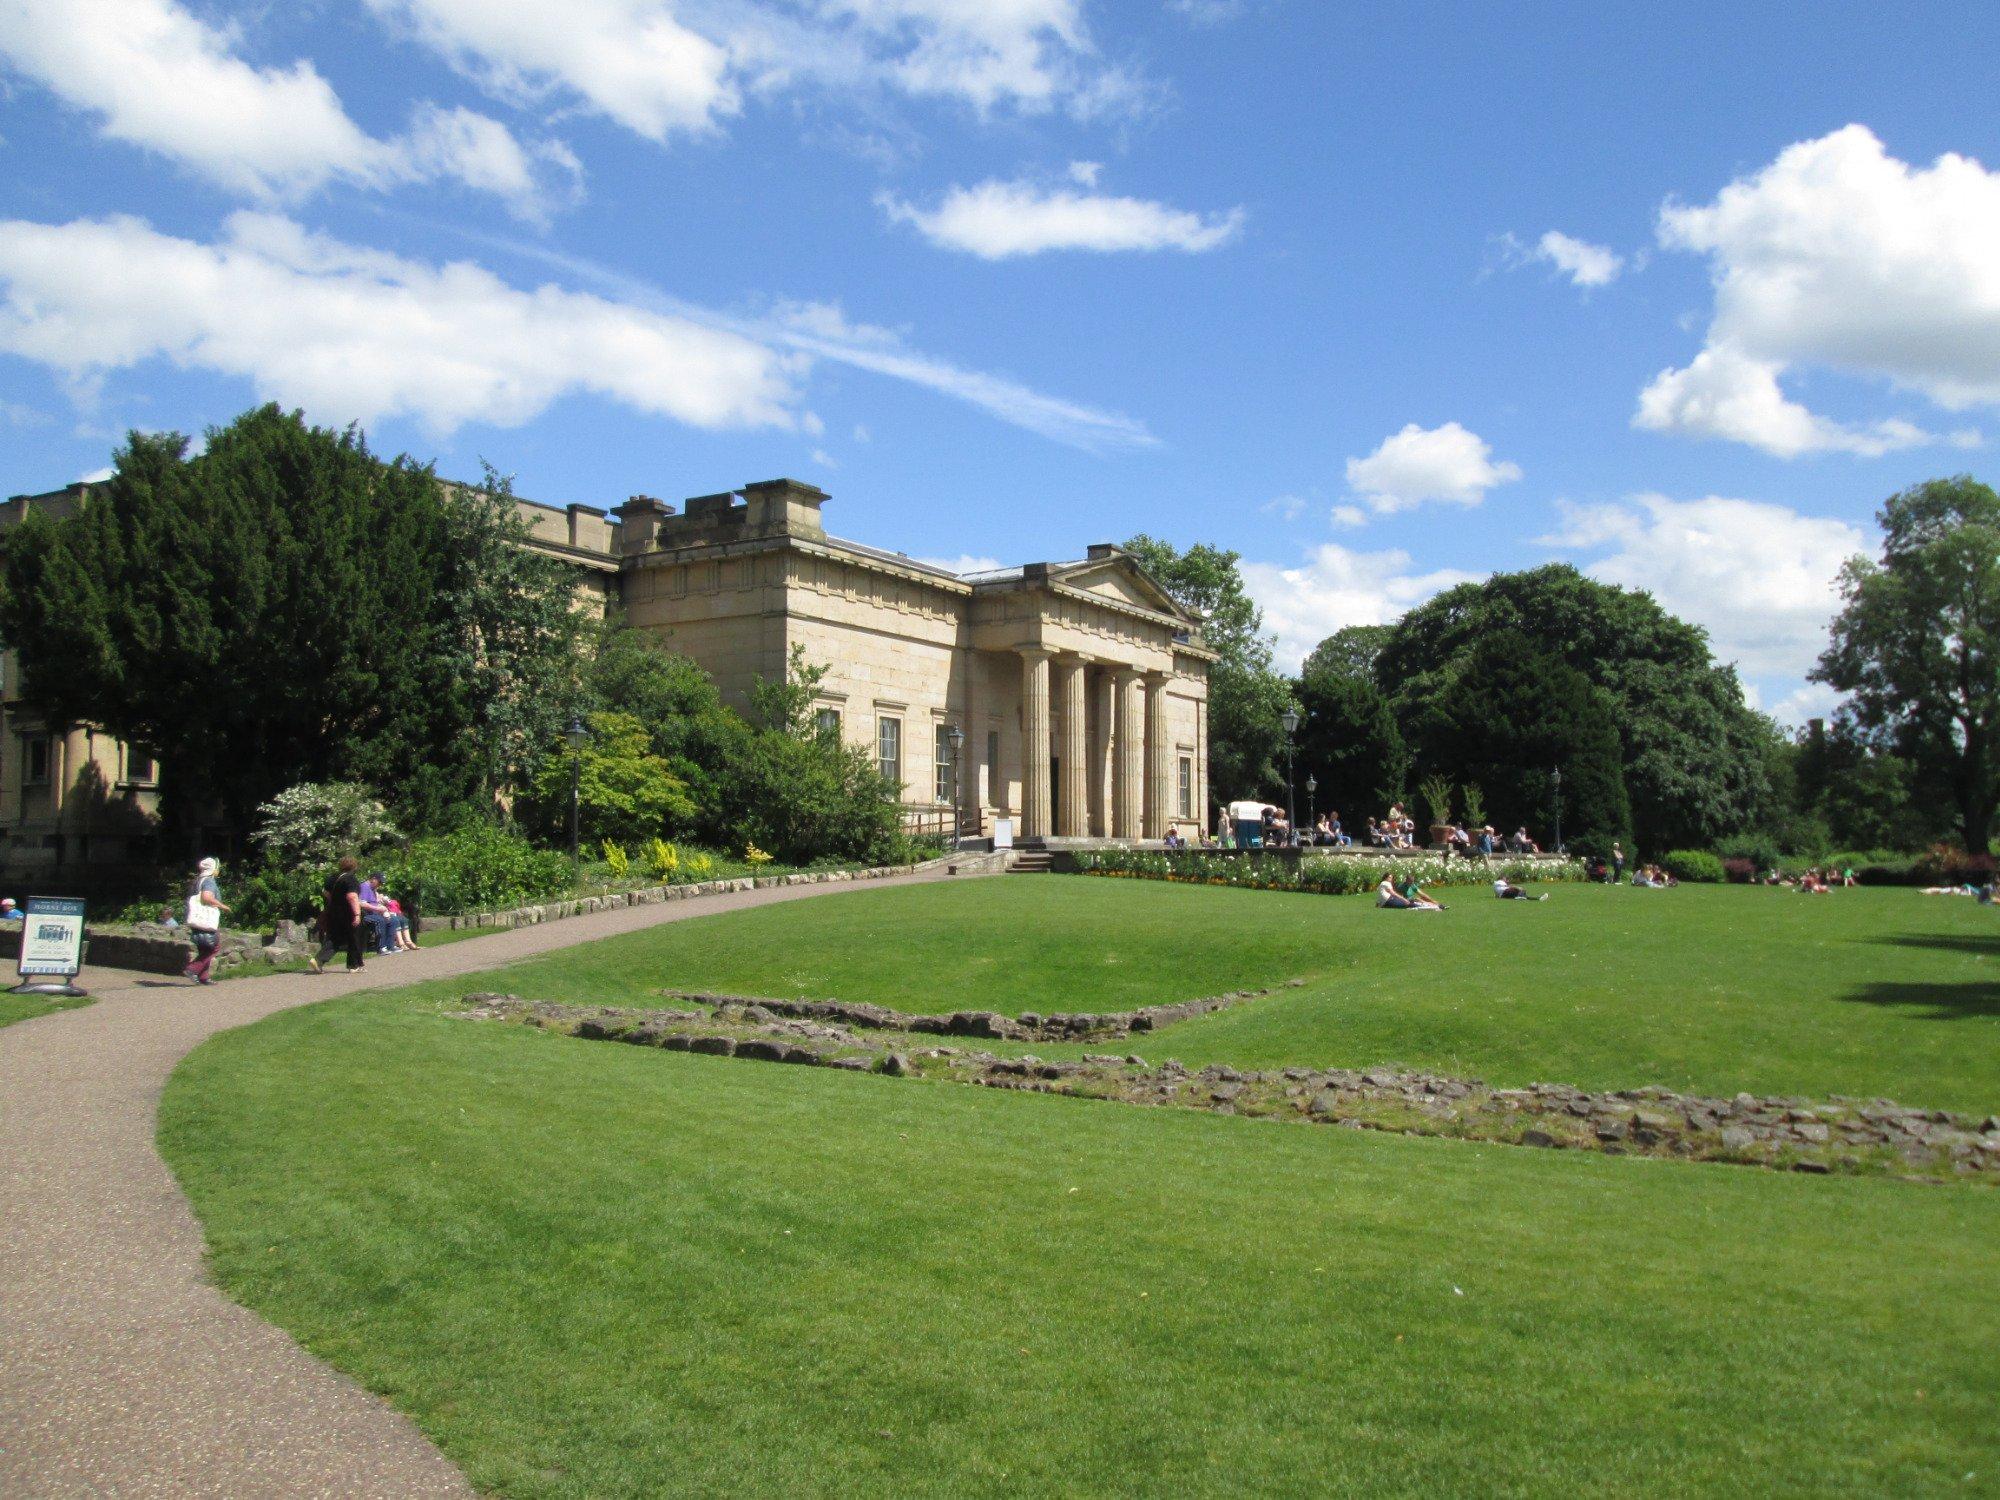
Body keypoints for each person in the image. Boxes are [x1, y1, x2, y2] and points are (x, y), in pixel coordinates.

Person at [311, 856, 366, 973]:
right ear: (354, 866)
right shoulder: (351, 879)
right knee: (355, 937)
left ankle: (318, 960)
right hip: (348, 912)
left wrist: (335, 899)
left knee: (336, 938)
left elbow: (325, 892)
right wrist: (357, 914)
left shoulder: (333, 878)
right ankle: (354, 965)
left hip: (334, 911)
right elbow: (352, 897)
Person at [181, 856, 229, 985]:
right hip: (206, 919)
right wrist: (222, 905)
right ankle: (192, 969)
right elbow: (206, 897)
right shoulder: (209, 881)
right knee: (214, 946)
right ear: (213, 869)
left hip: (196, 918)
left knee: (204, 947)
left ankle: (204, 977)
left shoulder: (198, 880)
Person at [358, 871, 396, 954]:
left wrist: (383, 908)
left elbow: (375, 902)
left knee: (392, 920)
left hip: (374, 913)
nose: (380, 885)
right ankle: (381, 947)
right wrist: (378, 909)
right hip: (365, 914)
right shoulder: (364, 887)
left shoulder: (373, 889)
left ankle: (390, 946)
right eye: (380, 882)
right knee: (380, 921)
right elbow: (362, 904)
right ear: (374, 879)